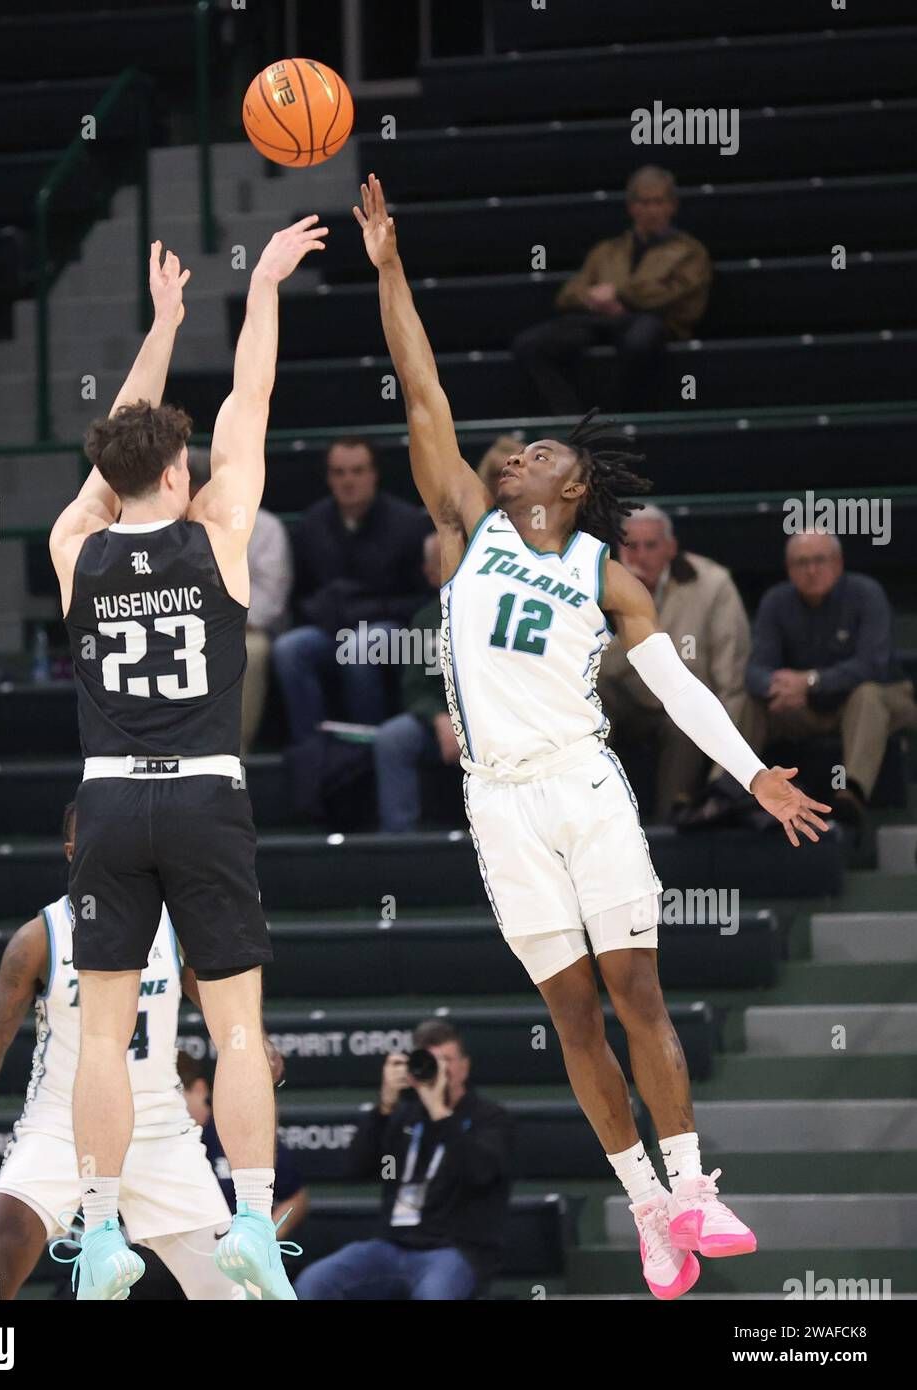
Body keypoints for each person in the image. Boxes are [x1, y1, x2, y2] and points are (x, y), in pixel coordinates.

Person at [353, 173, 830, 1300]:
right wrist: (387, 268)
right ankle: (649, 1209)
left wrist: (751, 767)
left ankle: (696, 1182)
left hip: (580, 782)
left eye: (532, 452)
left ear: (570, 484)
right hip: (499, 800)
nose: (510, 452)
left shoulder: (603, 574)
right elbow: (419, 387)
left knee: (638, 995)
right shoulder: (467, 523)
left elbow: (674, 686)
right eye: (508, 449)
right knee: (569, 1014)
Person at [47, 223, 326, 1299]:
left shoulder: (76, 548)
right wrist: (258, 288)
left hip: (108, 804)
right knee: (239, 1027)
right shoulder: (216, 531)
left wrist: (160, 325)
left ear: (108, 479)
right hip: (208, 796)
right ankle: (253, 1218)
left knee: (104, 1039)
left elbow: (111, 449)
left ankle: (104, 1234)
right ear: (176, 468)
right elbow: (247, 402)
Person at [0, 804, 239, 1302]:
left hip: (158, 1129)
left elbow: (225, 1012)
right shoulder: (38, 939)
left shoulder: (176, 928)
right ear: (72, 853)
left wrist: (256, 1044)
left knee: (233, 1292)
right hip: (60, 1126)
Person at [294, 1021, 511, 1300]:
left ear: (465, 1067)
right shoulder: (405, 1115)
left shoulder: (490, 1118)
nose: (441, 1070)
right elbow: (355, 1168)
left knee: (434, 1295)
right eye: (432, 1061)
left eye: (447, 1060)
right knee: (314, 1283)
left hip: (455, 1250)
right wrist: (384, 1106)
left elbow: (479, 1172)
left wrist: (440, 1113)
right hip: (391, 1245)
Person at [729, 531, 917, 824]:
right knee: (749, 701)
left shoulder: (867, 593)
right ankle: (725, 788)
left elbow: (874, 665)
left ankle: (852, 792)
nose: (811, 570)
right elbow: (755, 671)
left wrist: (811, 681)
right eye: (801, 563)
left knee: (867, 695)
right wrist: (777, 686)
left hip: (882, 701)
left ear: (838, 563)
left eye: (819, 560)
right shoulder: (776, 601)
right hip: (806, 708)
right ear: (789, 568)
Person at [512, 166, 711, 414]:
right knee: (530, 344)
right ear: (631, 207)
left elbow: (678, 297)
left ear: (672, 206)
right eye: (643, 202)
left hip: (656, 323)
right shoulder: (608, 250)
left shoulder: (690, 252)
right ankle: (572, 420)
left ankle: (624, 418)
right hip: (601, 320)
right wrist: (594, 299)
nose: (651, 210)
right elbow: (569, 293)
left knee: (640, 341)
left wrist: (620, 294)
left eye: (658, 202)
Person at [272, 436, 430, 744]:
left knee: (360, 645)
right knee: (289, 648)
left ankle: (368, 745)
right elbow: (299, 596)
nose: (348, 481)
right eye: (339, 472)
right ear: (329, 477)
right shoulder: (312, 524)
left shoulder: (408, 523)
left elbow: (423, 601)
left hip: (390, 630)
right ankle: (312, 749)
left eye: (358, 471)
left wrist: (371, 611)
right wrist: (321, 610)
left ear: (374, 474)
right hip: (331, 627)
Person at [597, 504, 750, 821]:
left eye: (650, 545)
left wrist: (728, 769)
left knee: (686, 720)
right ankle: (592, 813)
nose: (640, 555)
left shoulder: (713, 585)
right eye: (631, 546)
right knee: (593, 694)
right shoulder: (601, 584)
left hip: (682, 701)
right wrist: (627, 601)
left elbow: (731, 682)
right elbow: (595, 666)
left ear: (671, 548)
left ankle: (669, 824)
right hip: (626, 698)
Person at [187, 448, 292, 754]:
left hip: (248, 629)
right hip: (190, 625)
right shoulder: (173, 528)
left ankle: (233, 751)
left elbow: (269, 603)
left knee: (250, 651)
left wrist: (218, 620)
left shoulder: (264, 526)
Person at [373, 532, 460, 831]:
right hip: (442, 721)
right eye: (443, 563)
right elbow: (415, 686)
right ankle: (399, 842)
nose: (453, 567)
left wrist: (467, 723)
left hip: (493, 720)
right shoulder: (426, 618)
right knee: (393, 738)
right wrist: (439, 717)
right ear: (430, 574)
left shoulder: (497, 610)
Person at [179, 1053, 309, 1241]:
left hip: (240, 1248)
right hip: (184, 1251)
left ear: (199, 1090)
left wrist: (263, 1241)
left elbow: (295, 1198)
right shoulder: (159, 1146)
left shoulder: (236, 1132)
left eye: (174, 1098)